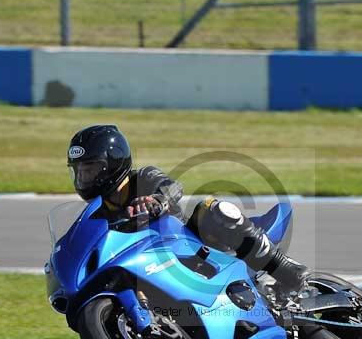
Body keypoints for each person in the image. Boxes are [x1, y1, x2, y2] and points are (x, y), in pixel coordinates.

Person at [67, 124, 309, 294]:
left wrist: (156, 200)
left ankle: (287, 271)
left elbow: (172, 187)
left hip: (193, 251)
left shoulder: (143, 178)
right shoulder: (99, 215)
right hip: (151, 269)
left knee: (212, 209)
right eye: (79, 171)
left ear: (112, 164)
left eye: (90, 169)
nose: (84, 178)